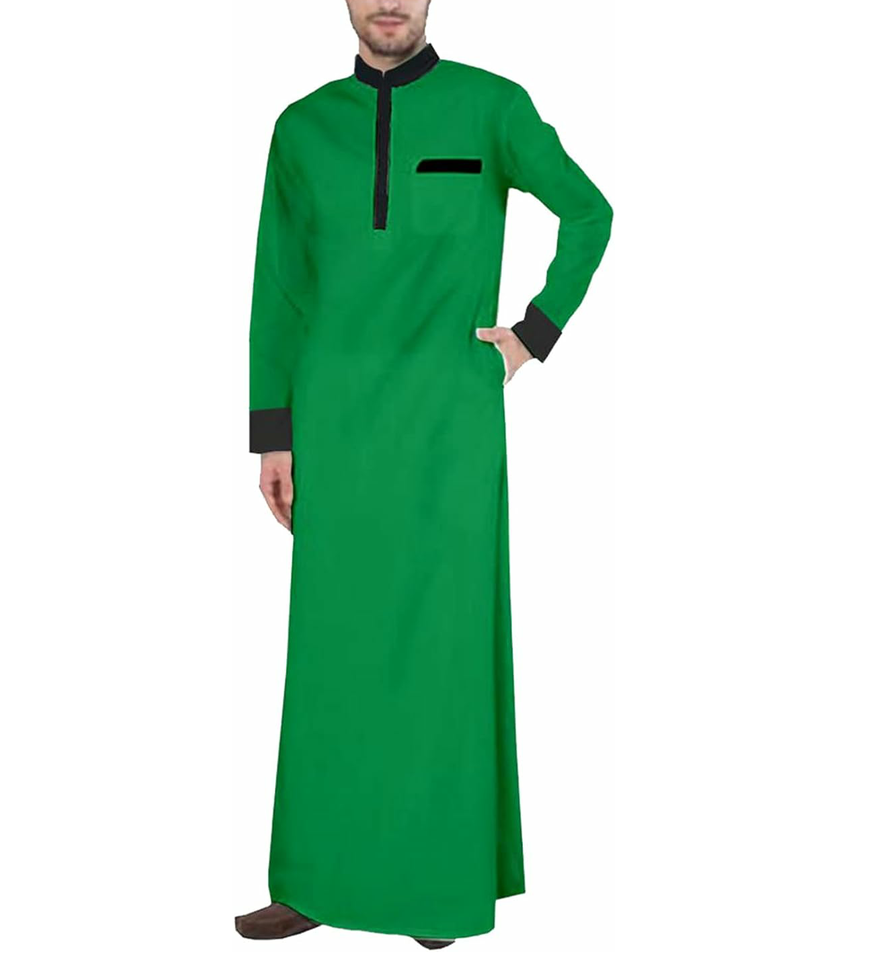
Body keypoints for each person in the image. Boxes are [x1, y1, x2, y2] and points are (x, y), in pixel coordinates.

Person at [236, 0, 612, 949]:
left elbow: (588, 212)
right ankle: (313, 878)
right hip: (333, 426)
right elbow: (279, 284)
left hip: (449, 425)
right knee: (331, 655)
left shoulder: (491, 107)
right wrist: (273, 432)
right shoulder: (302, 127)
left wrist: (531, 334)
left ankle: (434, 888)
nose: (388, 1)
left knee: (442, 653)